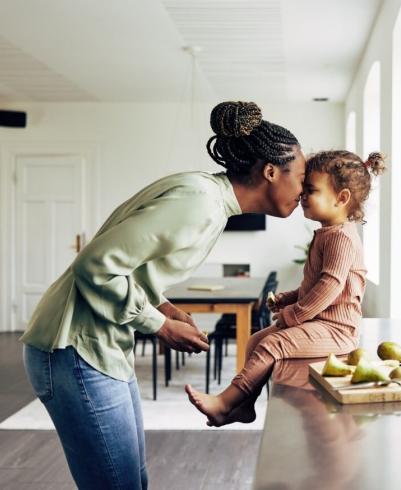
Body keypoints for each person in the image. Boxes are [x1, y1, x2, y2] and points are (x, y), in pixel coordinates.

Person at [20, 101, 306, 490]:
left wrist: (165, 307)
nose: (304, 191)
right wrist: (159, 326)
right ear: (271, 172)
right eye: (302, 177)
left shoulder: (208, 198)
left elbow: (131, 267)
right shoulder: (199, 203)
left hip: (96, 347)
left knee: (131, 480)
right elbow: (95, 266)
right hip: (73, 348)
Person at [186, 149, 386, 427]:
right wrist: (288, 298)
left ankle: (225, 402)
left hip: (338, 331)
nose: (302, 195)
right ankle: (244, 405)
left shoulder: (341, 238)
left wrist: (295, 314)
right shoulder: (327, 233)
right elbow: (315, 285)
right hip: (319, 322)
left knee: (272, 344)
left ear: (341, 199)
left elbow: (330, 286)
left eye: (311, 190)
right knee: (256, 340)